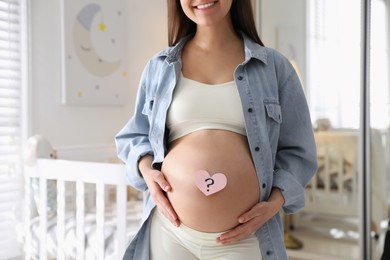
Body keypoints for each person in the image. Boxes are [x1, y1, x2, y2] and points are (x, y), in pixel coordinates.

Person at [115, 0, 317, 259]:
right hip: (169, 231)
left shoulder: (274, 67)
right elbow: (135, 136)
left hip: (246, 236)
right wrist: (148, 174)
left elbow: (299, 151)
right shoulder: (159, 67)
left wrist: (274, 204)